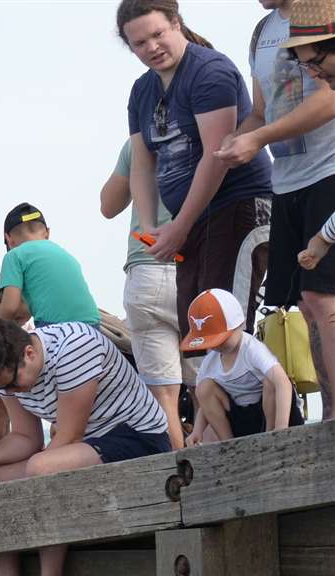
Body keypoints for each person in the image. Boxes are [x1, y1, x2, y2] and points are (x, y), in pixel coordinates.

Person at [0, 319, 172, 576]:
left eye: (13, 384)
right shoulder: (8, 373)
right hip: (86, 446)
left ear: (29, 353)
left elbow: (65, 440)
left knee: (41, 469)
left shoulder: (74, 349)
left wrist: (23, 467)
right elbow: (27, 440)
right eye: (5, 390)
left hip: (137, 438)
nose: (13, 393)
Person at [120, 0, 273, 346]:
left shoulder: (208, 71)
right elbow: (142, 164)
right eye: (139, 43)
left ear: (176, 23)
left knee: (226, 327)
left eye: (157, 34)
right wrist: (149, 227)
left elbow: (217, 155)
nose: (152, 48)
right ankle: (213, 400)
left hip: (237, 206)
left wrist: (180, 226)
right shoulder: (142, 91)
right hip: (190, 221)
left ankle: (261, 398)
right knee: (198, 330)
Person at [256, 0, 335, 409]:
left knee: (325, 300)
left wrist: (323, 236)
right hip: (288, 182)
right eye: (305, 65)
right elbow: (258, 111)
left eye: (316, 61)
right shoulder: (263, 30)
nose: (313, 73)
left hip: (326, 174)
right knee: (306, 303)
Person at [102, 138, 188, 447]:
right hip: (196, 267)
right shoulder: (206, 126)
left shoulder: (139, 142)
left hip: (147, 268)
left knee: (164, 396)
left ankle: (182, 474)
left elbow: (108, 205)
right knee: (211, 384)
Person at [184, 288, 304, 441]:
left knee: (271, 381)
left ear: (239, 325)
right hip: (240, 416)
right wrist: (197, 431)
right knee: (204, 387)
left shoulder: (250, 348)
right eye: (212, 342)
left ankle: (271, 435)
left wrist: (282, 426)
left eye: (222, 339)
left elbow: (283, 383)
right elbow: (204, 403)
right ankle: (229, 443)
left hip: (270, 411)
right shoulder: (210, 361)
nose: (218, 346)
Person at [0, 203, 100, 326]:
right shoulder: (66, 254)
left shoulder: (14, 255)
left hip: (58, 329)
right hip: (94, 328)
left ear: (9, 239)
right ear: (47, 233)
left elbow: (10, 308)